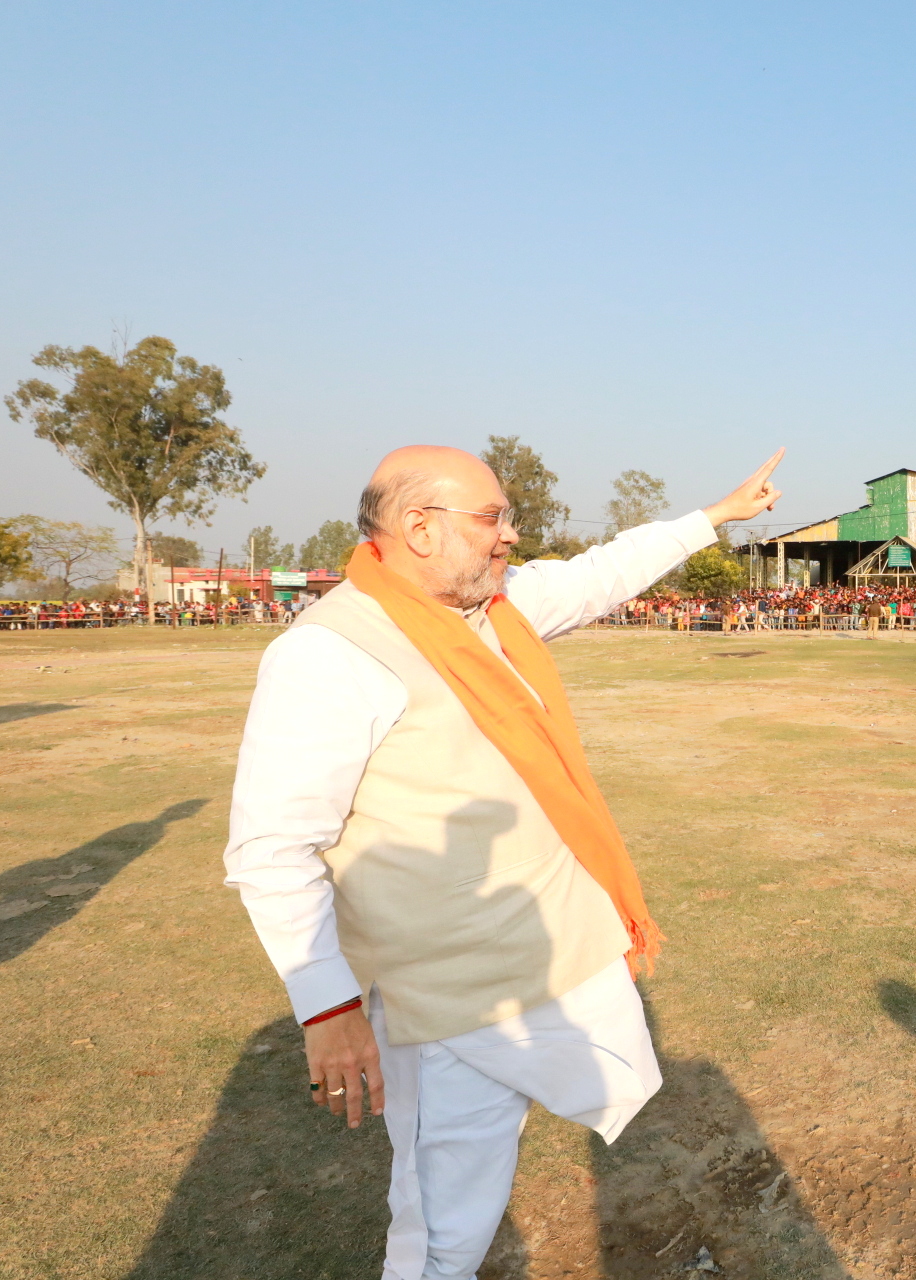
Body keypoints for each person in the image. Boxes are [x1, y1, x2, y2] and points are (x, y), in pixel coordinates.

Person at [224, 444, 784, 1280]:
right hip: (445, 1000)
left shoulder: (495, 611)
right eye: (492, 518)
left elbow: (602, 572)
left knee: (478, 1193)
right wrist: (327, 1008)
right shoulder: (331, 653)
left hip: (547, 955)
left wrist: (715, 516)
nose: (510, 537)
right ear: (418, 527)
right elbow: (273, 847)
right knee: (445, 1226)